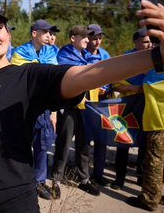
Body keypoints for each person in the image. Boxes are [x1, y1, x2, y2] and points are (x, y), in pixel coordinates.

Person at [0, 0, 164, 213]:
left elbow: (87, 75)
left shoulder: (28, 77)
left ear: (8, 35)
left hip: (11, 203)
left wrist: (158, 55)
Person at [10, 19, 60, 200]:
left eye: (50, 32)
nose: (49, 35)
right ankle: (21, 180)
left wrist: (54, 112)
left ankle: (39, 181)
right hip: (24, 107)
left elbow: (55, 83)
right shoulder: (21, 52)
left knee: (42, 147)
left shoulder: (51, 53)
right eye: (45, 31)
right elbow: (17, 81)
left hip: (45, 108)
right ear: (34, 33)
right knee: (22, 145)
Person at [50, 25, 101, 197]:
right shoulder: (64, 55)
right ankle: (56, 179)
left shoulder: (86, 56)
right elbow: (70, 79)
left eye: (89, 37)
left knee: (84, 145)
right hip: (70, 108)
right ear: (73, 38)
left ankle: (84, 179)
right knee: (64, 144)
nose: (88, 40)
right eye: (84, 37)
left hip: (87, 109)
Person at [127, 51, 164, 211]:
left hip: (159, 122)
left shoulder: (151, 76)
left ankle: (149, 199)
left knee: (155, 161)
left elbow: (140, 84)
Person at [110, 28, 152, 190]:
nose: (149, 45)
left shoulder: (156, 59)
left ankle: (141, 177)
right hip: (126, 107)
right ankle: (119, 178)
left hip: (148, 107)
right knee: (123, 142)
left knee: (144, 143)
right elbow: (115, 84)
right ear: (135, 41)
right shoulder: (125, 59)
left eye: (150, 42)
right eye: (145, 41)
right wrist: (134, 88)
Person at [81, 24, 112, 187]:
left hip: (102, 103)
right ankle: (83, 174)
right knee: (85, 139)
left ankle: (98, 173)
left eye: (100, 38)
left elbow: (112, 75)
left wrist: (105, 88)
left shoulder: (105, 54)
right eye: (94, 38)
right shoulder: (82, 54)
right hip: (86, 104)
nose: (98, 41)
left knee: (102, 139)